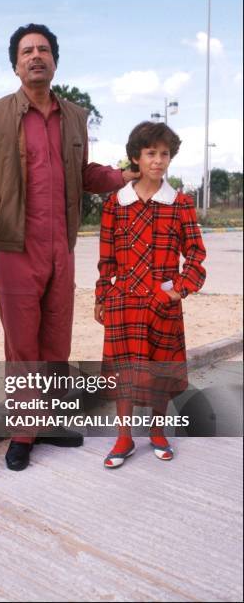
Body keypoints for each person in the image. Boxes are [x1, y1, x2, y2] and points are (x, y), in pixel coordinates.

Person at [0, 23, 138, 471]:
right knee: (22, 345)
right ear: (15, 65)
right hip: (16, 248)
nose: (35, 56)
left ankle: (51, 421)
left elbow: (83, 173)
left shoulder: (75, 115)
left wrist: (121, 176)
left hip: (63, 247)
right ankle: (23, 431)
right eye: (26, 51)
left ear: (55, 60)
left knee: (57, 340)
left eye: (43, 50)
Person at [94, 121, 206, 467]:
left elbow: (196, 255)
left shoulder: (180, 204)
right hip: (124, 303)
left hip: (162, 304)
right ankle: (124, 437)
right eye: (150, 153)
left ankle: (158, 433)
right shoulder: (116, 204)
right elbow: (106, 258)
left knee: (159, 371)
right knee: (124, 373)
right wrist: (103, 297)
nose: (158, 160)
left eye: (164, 154)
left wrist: (178, 291)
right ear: (135, 158)